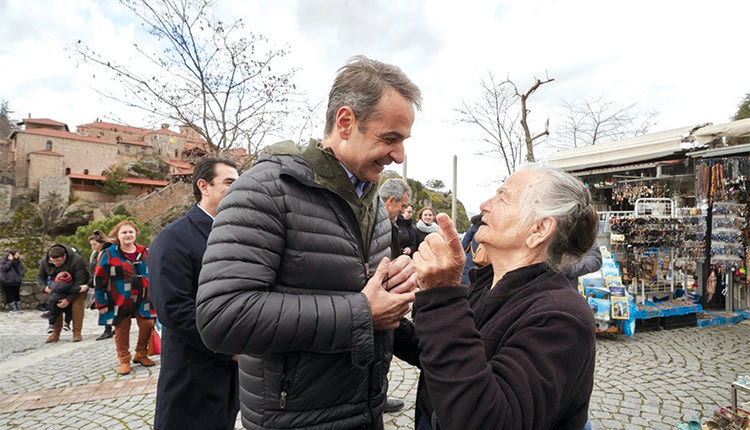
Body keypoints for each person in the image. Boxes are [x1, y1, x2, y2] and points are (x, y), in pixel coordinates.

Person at [196, 55, 420, 430]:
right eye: (390, 139)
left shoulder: (376, 206)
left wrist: (396, 298)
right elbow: (221, 316)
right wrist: (362, 312)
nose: (399, 156)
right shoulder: (264, 191)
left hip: (364, 415)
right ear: (345, 122)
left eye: (403, 141)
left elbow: (372, 309)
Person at [395, 164, 597, 430]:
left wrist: (442, 295)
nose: (484, 205)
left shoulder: (562, 317)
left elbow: (488, 420)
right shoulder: (486, 283)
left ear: (539, 229)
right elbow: (445, 354)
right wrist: (390, 322)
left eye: (503, 197)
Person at [150, 157, 240, 430]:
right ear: (204, 185)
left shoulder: (235, 236)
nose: (237, 189)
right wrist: (230, 350)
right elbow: (174, 310)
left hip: (229, 376)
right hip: (191, 372)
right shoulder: (173, 239)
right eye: (229, 183)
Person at [94, 221, 156, 375]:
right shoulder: (109, 254)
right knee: (122, 328)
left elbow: (156, 273)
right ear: (117, 235)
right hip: (120, 297)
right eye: (124, 233)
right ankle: (124, 359)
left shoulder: (145, 252)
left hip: (144, 297)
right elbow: (99, 278)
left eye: (131, 232)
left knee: (148, 323)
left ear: (136, 234)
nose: (128, 235)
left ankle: (141, 353)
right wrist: (100, 302)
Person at [378, 178, 413, 414]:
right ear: (391, 201)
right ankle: (376, 398)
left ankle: (378, 395)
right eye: (402, 207)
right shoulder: (376, 222)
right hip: (378, 296)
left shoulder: (386, 222)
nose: (403, 212)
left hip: (387, 294)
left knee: (384, 350)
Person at [37, 244, 90, 342]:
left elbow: (80, 282)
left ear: (64, 256)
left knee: (76, 307)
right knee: (55, 306)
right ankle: (55, 334)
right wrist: (44, 288)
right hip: (58, 288)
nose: (56, 263)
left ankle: (77, 333)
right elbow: (40, 277)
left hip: (77, 288)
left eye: (58, 261)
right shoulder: (46, 261)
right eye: (53, 261)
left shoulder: (77, 260)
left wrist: (68, 299)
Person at [88, 230, 114, 340]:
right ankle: (108, 328)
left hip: (108, 283)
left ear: (101, 243)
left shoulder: (107, 253)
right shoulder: (96, 254)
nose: (93, 247)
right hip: (99, 282)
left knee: (107, 306)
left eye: (95, 244)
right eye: (91, 245)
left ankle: (109, 329)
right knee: (103, 306)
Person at [45, 271, 80, 339]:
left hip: (54, 302)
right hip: (65, 301)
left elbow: (49, 285)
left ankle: (51, 325)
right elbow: (77, 289)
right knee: (69, 313)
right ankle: (67, 324)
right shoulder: (69, 286)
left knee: (53, 314)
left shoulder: (53, 284)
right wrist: (80, 287)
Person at [460, 214, 484, 285]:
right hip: (488, 264)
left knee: (466, 283)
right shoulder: (493, 227)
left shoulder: (474, 227)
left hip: (471, 261)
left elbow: (464, 244)